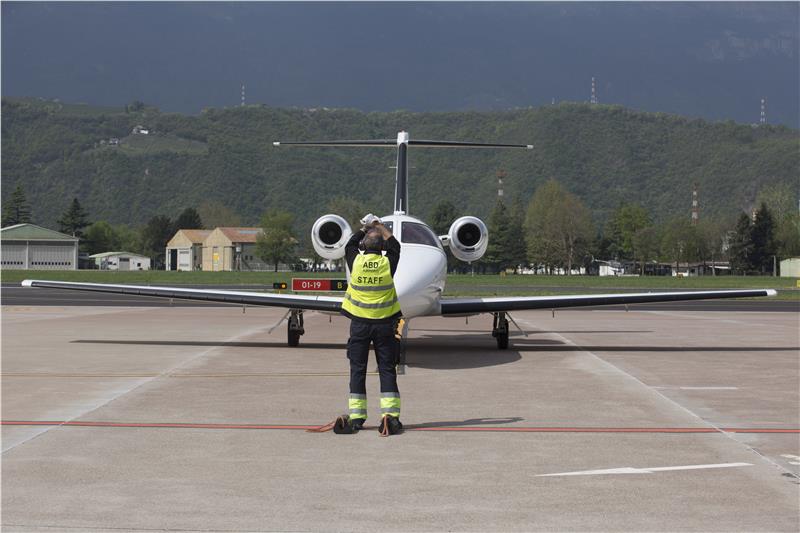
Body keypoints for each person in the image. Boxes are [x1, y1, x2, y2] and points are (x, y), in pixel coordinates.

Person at [336, 214, 403, 435]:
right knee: (387, 369)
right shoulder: (387, 263)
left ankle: (356, 418)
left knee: (358, 369)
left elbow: (350, 245)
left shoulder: (355, 261)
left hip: (360, 326)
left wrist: (364, 228)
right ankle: (390, 417)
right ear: (382, 248)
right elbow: (395, 245)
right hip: (385, 326)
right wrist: (380, 226)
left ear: (363, 246)